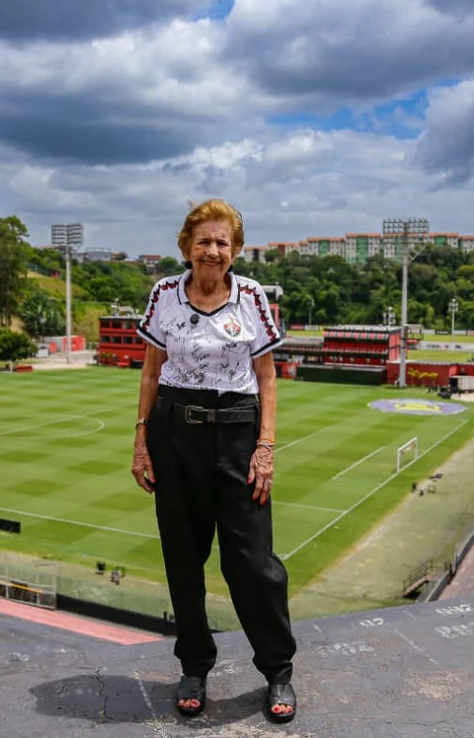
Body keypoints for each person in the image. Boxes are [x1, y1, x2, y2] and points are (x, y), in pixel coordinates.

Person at [131, 199, 297, 723]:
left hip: (237, 434)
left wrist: (265, 448)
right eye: (204, 241)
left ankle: (277, 669)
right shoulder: (163, 294)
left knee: (251, 562)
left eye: (223, 242)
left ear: (236, 250)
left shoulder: (251, 296)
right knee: (183, 558)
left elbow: (267, 379)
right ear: (186, 247)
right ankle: (195, 664)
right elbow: (152, 373)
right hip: (175, 433)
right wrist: (141, 440)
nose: (213, 250)